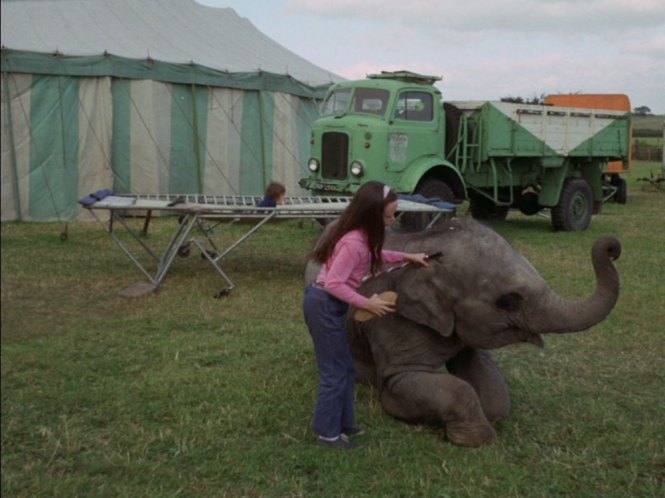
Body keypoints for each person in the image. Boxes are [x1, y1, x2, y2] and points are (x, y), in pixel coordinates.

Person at [303, 181, 429, 449]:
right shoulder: (353, 242)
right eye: (388, 215)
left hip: (330, 305)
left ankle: (344, 425)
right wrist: (367, 303)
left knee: (346, 368)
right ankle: (327, 434)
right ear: (372, 215)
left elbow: (375, 255)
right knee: (334, 371)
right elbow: (333, 283)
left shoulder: (361, 238)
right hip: (323, 304)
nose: (393, 220)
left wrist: (407, 257)